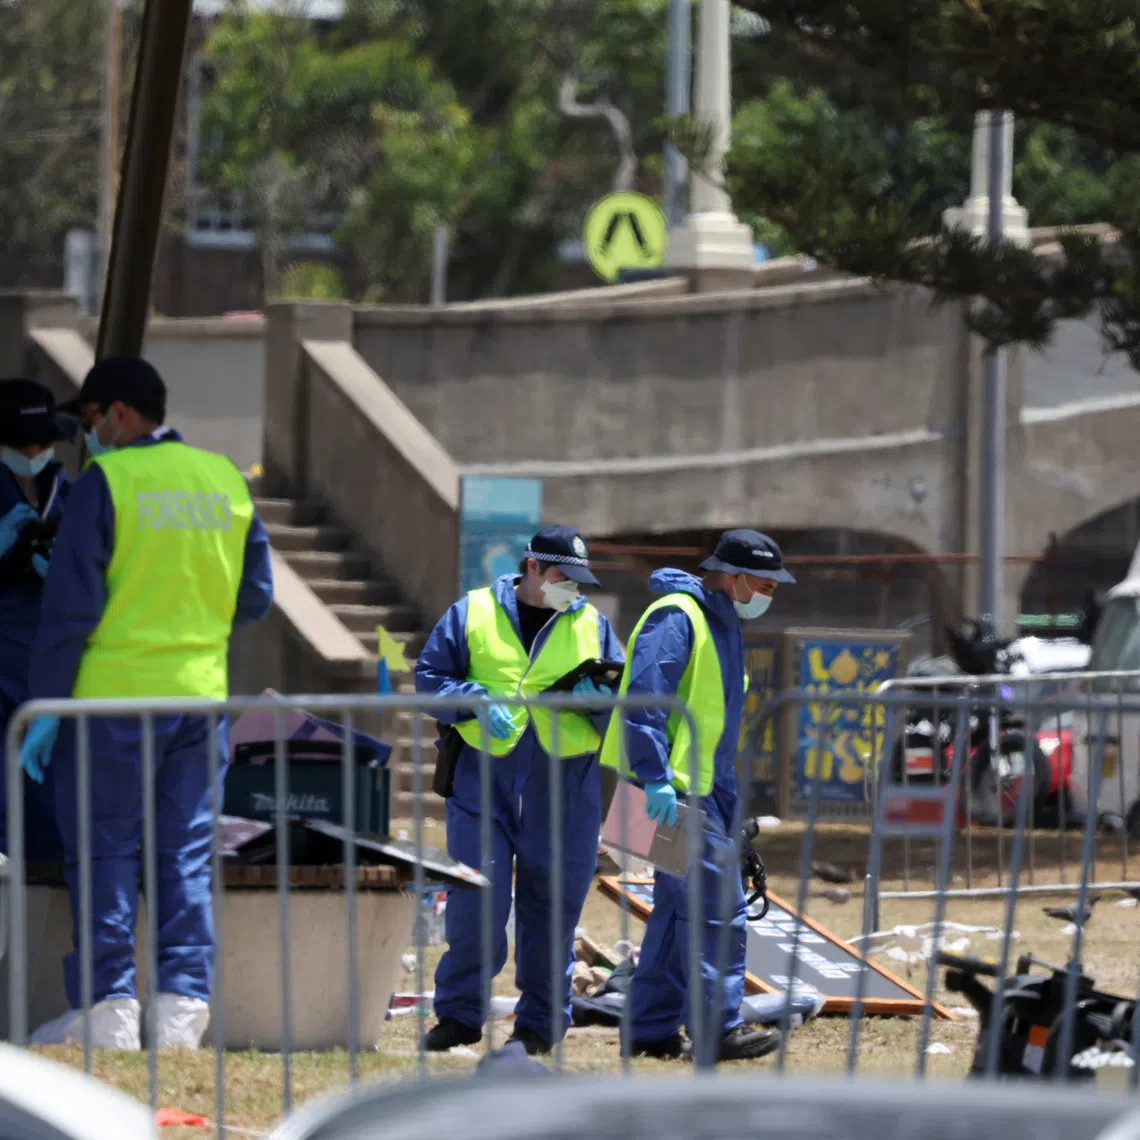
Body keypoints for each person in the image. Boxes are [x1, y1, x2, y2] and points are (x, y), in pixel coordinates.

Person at [20, 356, 274, 1051]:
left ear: (121, 415)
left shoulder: (110, 481)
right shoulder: (224, 479)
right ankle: (182, 1012)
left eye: (90, 420)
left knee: (104, 850)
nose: (86, 436)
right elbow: (255, 596)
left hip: (112, 703)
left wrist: (45, 708)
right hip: (197, 699)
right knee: (185, 852)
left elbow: (71, 612)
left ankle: (109, 1011)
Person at [416, 525, 623, 1055]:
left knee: (552, 909)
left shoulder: (593, 624)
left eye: (579, 582)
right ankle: (459, 1017)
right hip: (482, 780)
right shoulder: (471, 611)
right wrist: (476, 699)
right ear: (533, 567)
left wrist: (597, 698)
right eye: (562, 578)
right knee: (475, 902)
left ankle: (538, 1026)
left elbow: (623, 702)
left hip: (565, 787)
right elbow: (429, 680)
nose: (571, 590)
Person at [599, 529, 794, 1062]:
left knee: (675, 913)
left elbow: (713, 731)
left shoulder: (721, 624)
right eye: (764, 582)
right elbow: (646, 697)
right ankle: (717, 1029)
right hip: (666, 792)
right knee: (717, 909)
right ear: (732, 576)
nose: (770, 592)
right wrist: (654, 776)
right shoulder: (678, 617)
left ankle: (649, 1027)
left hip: (693, 792)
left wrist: (730, 811)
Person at [0, 378, 73, 864]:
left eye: (42, 442)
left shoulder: (70, 492)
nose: (34, 452)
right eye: (22, 444)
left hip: (53, 665)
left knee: (51, 799)